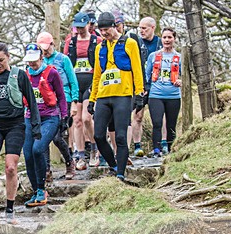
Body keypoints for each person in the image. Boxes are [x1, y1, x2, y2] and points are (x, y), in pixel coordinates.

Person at [0, 42, 41, 221]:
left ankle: (10, 208)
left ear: (8, 57)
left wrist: (36, 127)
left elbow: (32, 102)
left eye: (1, 60)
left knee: (11, 168)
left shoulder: (19, 75)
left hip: (15, 125)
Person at [88, 12, 145, 182]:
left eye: (106, 30)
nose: (104, 33)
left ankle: (120, 173)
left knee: (120, 136)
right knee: (98, 135)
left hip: (123, 95)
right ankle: (113, 165)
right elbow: (97, 75)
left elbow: (137, 69)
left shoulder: (130, 43)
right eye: (101, 30)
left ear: (114, 26)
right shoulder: (100, 47)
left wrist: (139, 93)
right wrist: (92, 99)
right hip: (104, 96)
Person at [22, 43, 67, 206]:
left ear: (42, 57)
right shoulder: (25, 75)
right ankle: (36, 191)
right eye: (29, 61)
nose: (32, 63)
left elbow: (61, 96)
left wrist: (64, 117)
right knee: (27, 153)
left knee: (38, 149)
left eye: (35, 60)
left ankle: (42, 189)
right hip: (30, 118)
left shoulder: (52, 73)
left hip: (50, 117)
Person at [36, 32, 78, 180]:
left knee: (57, 137)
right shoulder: (38, 62)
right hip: (45, 102)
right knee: (44, 137)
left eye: (47, 48)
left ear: (53, 44)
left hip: (63, 99)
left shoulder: (63, 59)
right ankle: (46, 169)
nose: (45, 51)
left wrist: (74, 101)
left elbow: (73, 81)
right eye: (42, 49)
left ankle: (69, 162)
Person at [64, 12, 98, 170]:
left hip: (90, 83)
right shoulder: (70, 42)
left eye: (82, 26)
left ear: (88, 25)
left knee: (86, 118)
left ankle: (94, 148)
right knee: (76, 121)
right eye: (77, 27)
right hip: (76, 84)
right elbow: (65, 63)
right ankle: (81, 155)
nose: (80, 30)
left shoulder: (97, 41)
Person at [146, 28, 182, 156]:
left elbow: (185, 77)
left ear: (174, 39)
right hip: (156, 94)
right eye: (164, 37)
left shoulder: (179, 57)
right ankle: (157, 149)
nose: (167, 40)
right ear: (161, 39)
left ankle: (171, 150)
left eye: (169, 37)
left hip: (173, 95)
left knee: (171, 125)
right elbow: (147, 75)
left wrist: (180, 81)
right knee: (157, 122)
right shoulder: (153, 56)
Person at [129, 17, 160, 156]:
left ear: (153, 28)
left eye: (144, 28)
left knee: (157, 116)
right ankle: (137, 146)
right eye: (139, 28)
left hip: (156, 85)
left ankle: (160, 145)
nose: (141, 31)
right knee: (137, 115)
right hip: (140, 84)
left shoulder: (160, 42)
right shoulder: (136, 42)